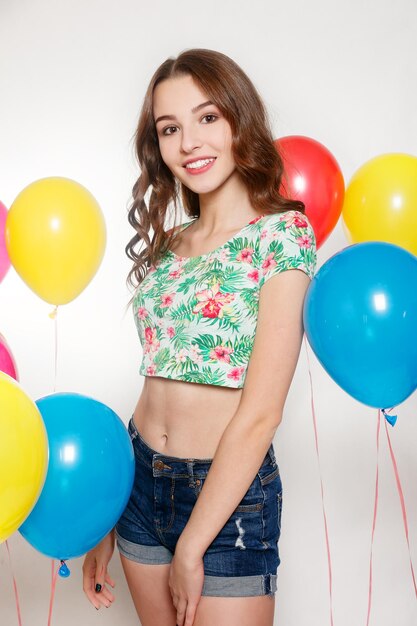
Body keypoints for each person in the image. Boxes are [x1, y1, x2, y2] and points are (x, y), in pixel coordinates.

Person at [82, 48, 316, 626]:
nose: (189, 142)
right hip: (139, 483)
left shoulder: (282, 235)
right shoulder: (168, 246)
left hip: (228, 498)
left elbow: (261, 414)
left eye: (207, 118)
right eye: (170, 128)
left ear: (240, 120)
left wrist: (192, 545)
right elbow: (155, 385)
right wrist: (109, 510)